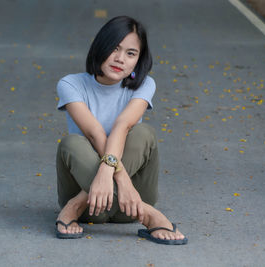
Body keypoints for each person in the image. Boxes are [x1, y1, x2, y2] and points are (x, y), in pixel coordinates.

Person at [54, 16, 187, 245]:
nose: (120, 59)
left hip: (131, 200)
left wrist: (115, 178)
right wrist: (120, 180)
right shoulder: (70, 84)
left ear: (138, 60)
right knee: (72, 143)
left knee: (142, 133)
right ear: (100, 47)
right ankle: (148, 214)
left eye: (130, 53)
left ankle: (73, 206)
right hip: (94, 206)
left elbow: (122, 125)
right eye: (115, 48)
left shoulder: (145, 85)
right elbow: (95, 133)